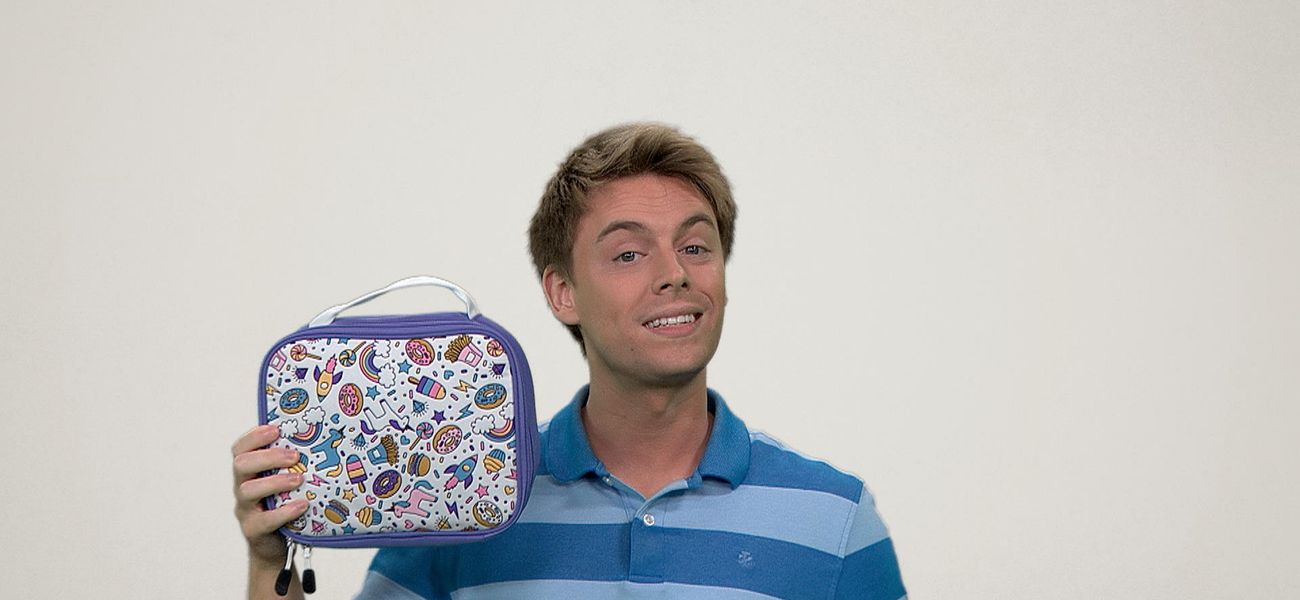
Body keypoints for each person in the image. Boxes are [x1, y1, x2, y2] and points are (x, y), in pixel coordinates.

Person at [232, 123, 907, 599]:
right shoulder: (462, 499)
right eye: (628, 253)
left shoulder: (835, 518)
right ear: (563, 293)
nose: (674, 273)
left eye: (696, 247)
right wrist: (270, 563)